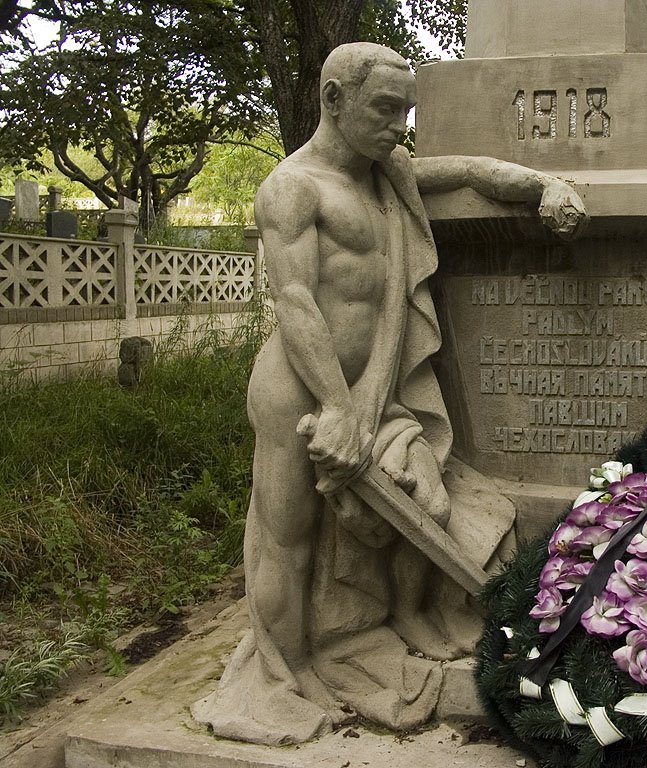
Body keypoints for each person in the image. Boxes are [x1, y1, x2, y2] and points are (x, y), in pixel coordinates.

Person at [191, 42, 587, 745]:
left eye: (405, 110)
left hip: (377, 392)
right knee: (289, 540)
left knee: (424, 497)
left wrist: (541, 185)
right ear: (334, 99)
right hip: (299, 392)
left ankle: (397, 618)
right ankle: (287, 672)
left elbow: (468, 171)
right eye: (384, 108)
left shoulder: (389, 174)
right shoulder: (293, 188)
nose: (398, 125)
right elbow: (294, 300)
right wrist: (336, 408)